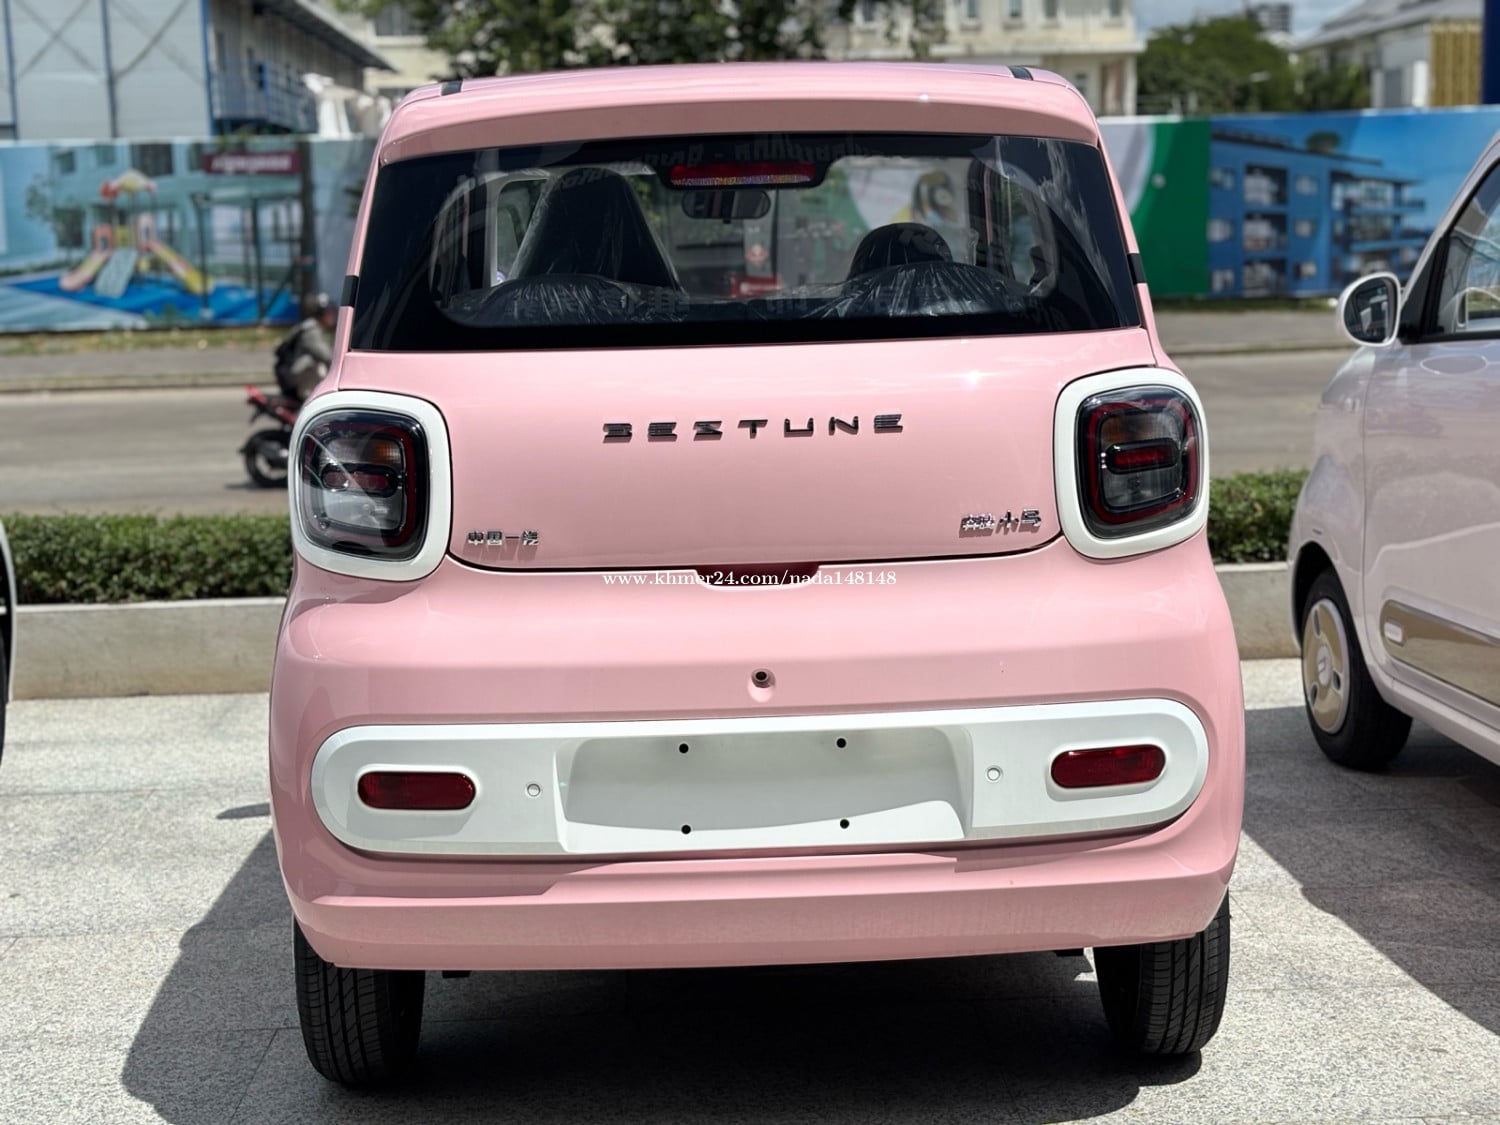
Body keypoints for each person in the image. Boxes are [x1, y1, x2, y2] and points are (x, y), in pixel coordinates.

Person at [275, 292, 337, 403]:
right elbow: (327, 356)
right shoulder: (311, 331)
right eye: (330, 312)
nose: (333, 316)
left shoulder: (311, 326)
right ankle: (311, 398)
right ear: (322, 313)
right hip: (295, 378)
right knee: (317, 364)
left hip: (294, 374)